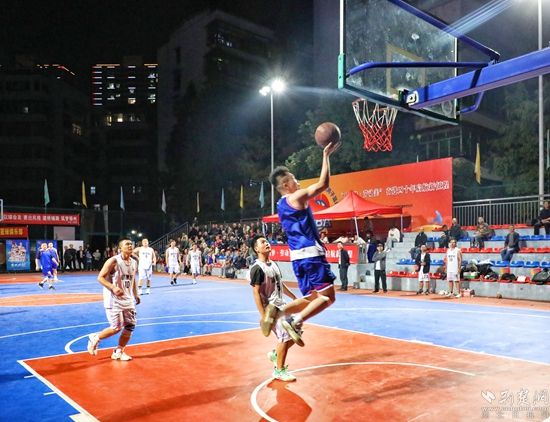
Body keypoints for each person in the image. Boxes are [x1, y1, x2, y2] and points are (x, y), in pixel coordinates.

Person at [268, 140, 340, 346]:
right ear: (285, 185)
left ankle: (277, 312)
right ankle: (294, 321)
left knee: (311, 299)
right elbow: (323, 184)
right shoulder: (295, 197)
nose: (297, 181)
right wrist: (325, 156)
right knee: (328, 297)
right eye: (293, 179)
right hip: (311, 254)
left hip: (297, 257)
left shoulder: (280, 205)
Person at [249, 235, 300, 382]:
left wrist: (293, 297)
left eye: (266, 241)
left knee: (297, 332)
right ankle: (279, 371)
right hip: (270, 309)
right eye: (262, 242)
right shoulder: (257, 268)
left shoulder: (274, 264)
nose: (266, 243)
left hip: (281, 304)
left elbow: (280, 283)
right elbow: (256, 292)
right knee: (285, 335)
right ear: (256, 249)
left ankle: (275, 354)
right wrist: (263, 316)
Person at [87, 238, 140, 361]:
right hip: (113, 299)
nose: (130, 246)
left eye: (131, 244)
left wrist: (136, 294)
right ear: (120, 248)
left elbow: (132, 280)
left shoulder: (134, 262)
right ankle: (95, 337)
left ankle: (119, 351)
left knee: (130, 326)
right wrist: (113, 287)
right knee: (116, 327)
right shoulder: (114, 261)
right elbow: (100, 278)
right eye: (127, 244)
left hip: (127, 299)